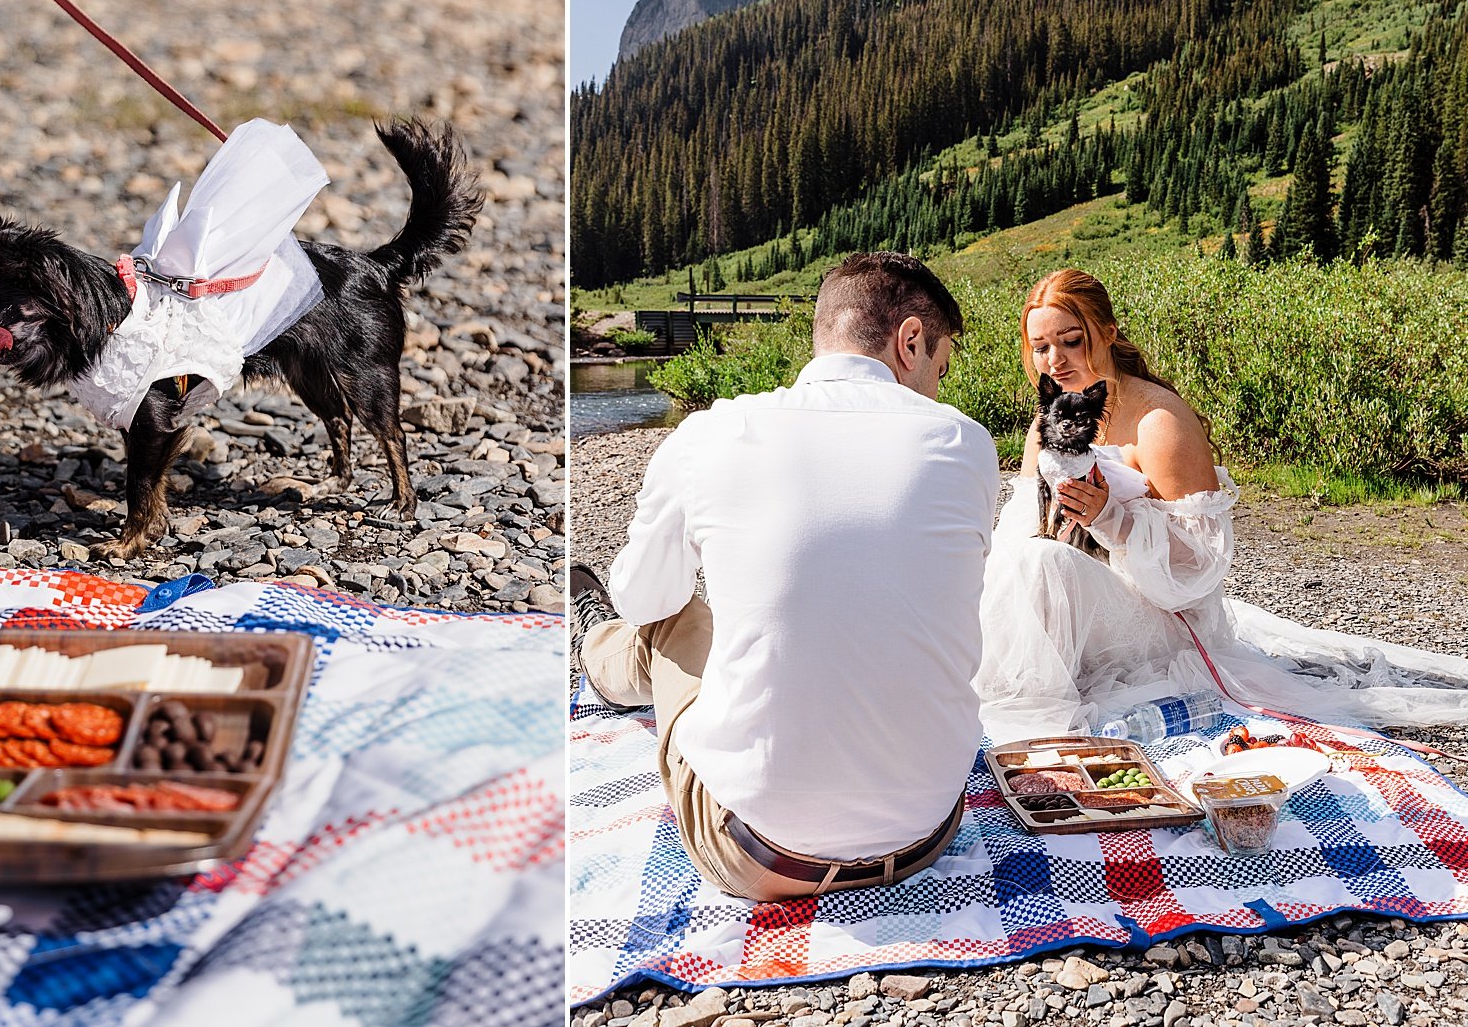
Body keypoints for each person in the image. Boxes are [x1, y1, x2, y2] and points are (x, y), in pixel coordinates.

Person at [571, 252, 1000, 901]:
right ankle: (597, 643)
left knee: (679, 616)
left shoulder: (711, 434)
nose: (938, 387)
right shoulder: (967, 444)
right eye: (939, 370)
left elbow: (644, 597)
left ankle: (591, 646)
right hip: (925, 838)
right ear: (910, 341)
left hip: (756, 856)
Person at [976, 268, 1468, 744]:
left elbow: (1200, 568)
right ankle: (1009, 695)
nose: (1054, 360)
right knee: (1026, 560)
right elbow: (1018, 531)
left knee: (1043, 563)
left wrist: (1111, 518)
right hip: (1074, 596)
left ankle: (1036, 724)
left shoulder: (1158, 423)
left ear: (1107, 332)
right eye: (1040, 347)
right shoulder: (1049, 421)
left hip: (1158, 614)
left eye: (1070, 340)